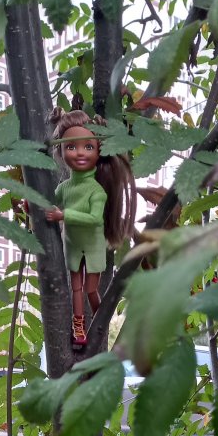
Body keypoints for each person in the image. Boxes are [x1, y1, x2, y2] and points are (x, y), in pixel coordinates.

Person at [45, 108, 136, 345]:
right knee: (76, 288)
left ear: (99, 151)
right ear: (61, 150)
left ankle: (100, 320)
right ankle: (79, 329)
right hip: (73, 246)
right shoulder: (65, 188)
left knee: (90, 289)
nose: (79, 153)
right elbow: (49, 202)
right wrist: (31, 205)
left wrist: (64, 215)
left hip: (93, 246)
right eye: (71, 147)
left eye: (88, 147)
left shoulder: (96, 190)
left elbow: (95, 219)